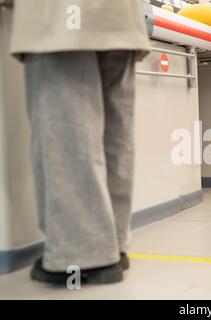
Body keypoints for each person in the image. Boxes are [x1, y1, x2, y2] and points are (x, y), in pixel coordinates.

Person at [10, 0, 150, 284]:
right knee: (115, 134)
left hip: (57, 14)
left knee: (65, 133)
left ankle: (82, 255)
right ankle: (114, 244)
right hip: (121, 17)